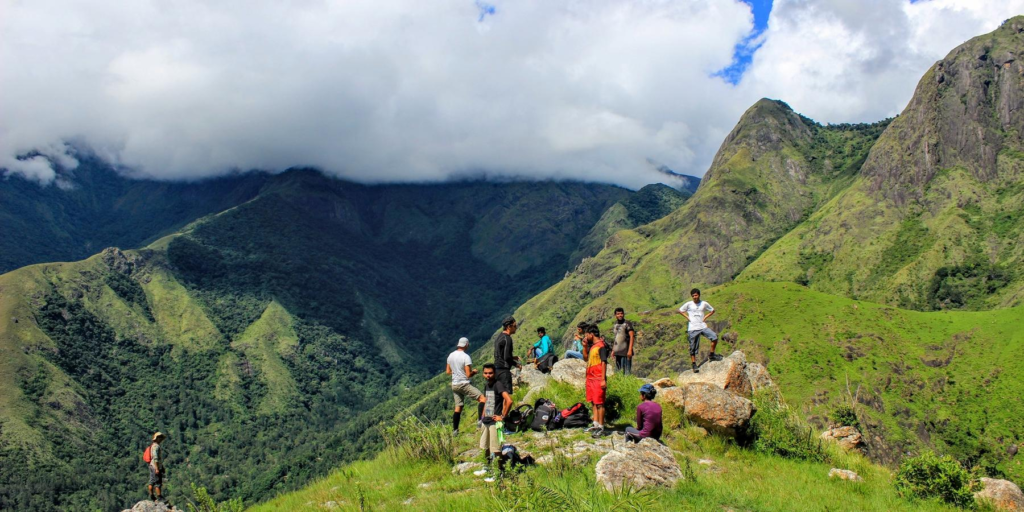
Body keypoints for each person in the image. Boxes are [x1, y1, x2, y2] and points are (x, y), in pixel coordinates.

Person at [475, 364, 512, 482]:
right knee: (484, 446)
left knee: (495, 449)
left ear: (494, 373)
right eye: (485, 373)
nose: (488, 375)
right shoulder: (487, 385)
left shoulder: (498, 385)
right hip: (486, 421)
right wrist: (482, 417)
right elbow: (486, 401)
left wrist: (503, 416)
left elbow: (509, 400)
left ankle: (498, 473)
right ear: (483, 373)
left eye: (490, 373)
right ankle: (487, 468)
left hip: (494, 422)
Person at [446, 337, 485, 435]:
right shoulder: (466, 357)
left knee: (458, 407)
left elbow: (448, 371)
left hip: (454, 384)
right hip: (464, 384)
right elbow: (468, 375)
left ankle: (455, 431)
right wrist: (474, 372)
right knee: (483, 399)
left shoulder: (450, 355)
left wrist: (457, 373)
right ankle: (480, 421)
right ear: (466, 345)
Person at [678, 288, 719, 373]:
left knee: (714, 337)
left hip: (702, 326)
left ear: (699, 295)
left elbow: (712, 310)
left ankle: (711, 354)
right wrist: (688, 318)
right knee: (693, 347)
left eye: (696, 295)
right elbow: (680, 310)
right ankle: (694, 364)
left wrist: (705, 317)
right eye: (693, 296)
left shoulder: (704, 304)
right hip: (693, 328)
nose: (694, 297)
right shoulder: (689, 304)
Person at [583, 324, 610, 438]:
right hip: (591, 378)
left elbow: (604, 362)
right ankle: (595, 423)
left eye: (587, 334)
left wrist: (603, 379)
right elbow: (585, 358)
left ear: (591, 334)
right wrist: (584, 346)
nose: (586, 336)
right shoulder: (592, 346)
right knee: (593, 402)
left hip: (598, 377)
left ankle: (601, 427)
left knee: (600, 403)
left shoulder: (601, 346)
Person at [493, 315, 521, 393]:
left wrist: (513, 357)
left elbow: (501, 354)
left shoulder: (499, 337)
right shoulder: (507, 338)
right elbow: (507, 357)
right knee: (507, 396)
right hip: (504, 371)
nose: (516, 328)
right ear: (509, 326)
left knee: (498, 397)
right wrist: (517, 365)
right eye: (515, 326)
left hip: (496, 370)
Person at [610, 307, 636, 376]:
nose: (620, 315)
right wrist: (613, 350)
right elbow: (616, 338)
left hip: (625, 352)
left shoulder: (627, 323)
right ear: (615, 315)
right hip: (617, 351)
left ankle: (628, 385)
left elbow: (632, 336)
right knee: (618, 371)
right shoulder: (615, 324)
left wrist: (630, 350)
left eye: (621, 313)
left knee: (626, 372)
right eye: (618, 314)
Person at [147, 432, 167, 503]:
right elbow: (156, 458)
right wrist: (157, 468)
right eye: (160, 438)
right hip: (155, 466)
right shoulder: (156, 447)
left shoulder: (153, 446)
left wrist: (162, 467)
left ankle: (152, 496)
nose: (161, 439)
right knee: (158, 482)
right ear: (157, 438)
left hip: (152, 466)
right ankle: (159, 497)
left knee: (152, 481)